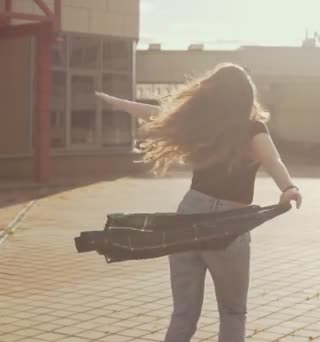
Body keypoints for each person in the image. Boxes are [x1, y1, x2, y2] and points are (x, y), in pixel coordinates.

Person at [95, 62, 302, 342]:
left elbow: (160, 116)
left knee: (183, 314)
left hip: (188, 216)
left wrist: (121, 104)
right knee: (232, 311)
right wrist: (288, 187)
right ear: (246, 95)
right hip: (228, 225)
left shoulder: (202, 126)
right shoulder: (253, 130)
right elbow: (273, 160)